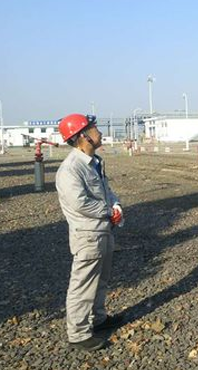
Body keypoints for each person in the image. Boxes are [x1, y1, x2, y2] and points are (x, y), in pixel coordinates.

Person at [56, 114, 124, 351]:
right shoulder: (70, 169)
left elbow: (106, 190)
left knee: (101, 279)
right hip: (87, 235)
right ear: (83, 136)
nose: (99, 132)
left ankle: (98, 318)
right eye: (94, 128)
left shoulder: (94, 162)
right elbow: (80, 203)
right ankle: (78, 333)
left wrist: (115, 205)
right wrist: (108, 211)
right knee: (83, 284)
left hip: (102, 230)